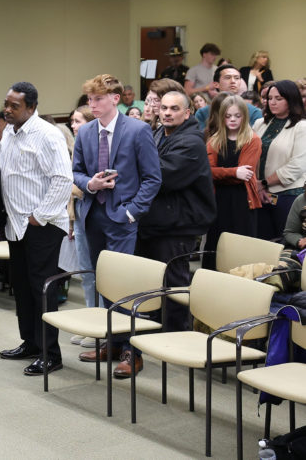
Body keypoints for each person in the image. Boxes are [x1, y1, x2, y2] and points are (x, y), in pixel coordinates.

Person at [72, 74, 161, 378]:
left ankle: (130, 352)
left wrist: (132, 212)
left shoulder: (137, 130)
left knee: (124, 284)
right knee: (103, 282)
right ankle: (111, 341)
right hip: (92, 215)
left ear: (115, 98)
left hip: (122, 218)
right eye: (89, 99)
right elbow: (76, 172)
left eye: (98, 99)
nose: (92, 104)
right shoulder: (85, 132)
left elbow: (152, 178)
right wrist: (91, 184)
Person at [0, 83, 72, 376]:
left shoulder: (47, 135)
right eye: (7, 104)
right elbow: (3, 171)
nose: (8, 110)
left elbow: (63, 180)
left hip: (42, 224)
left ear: (31, 107)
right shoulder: (9, 133)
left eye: (15, 106)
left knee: (43, 289)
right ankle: (30, 342)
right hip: (16, 224)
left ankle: (51, 353)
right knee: (23, 287)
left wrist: (39, 216)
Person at [136, 91, 216, 334]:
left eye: (174, 109)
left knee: (173, 284)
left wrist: (133, 163)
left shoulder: (191, 141)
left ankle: (175, 334)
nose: (168, 113)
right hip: (157, 221)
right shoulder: (160, 132)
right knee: (150, 282)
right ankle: (151, 330)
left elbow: (162, 176)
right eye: (165, 108)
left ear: (187, 113)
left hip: (178, 225)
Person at [204, 95, 262, 269]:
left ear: (244, 116)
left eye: (237, 116)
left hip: (242, 200)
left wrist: (222, 174)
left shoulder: (253, 139)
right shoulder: (214, 140)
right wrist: (234, 172)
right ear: (222, 117)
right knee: (215, 244)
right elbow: (207, 172)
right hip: (218, 200)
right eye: (228, 116)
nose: (232, 120)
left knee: (241, 247)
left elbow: (246, 172)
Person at [253, 80, 306, 240]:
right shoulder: (259, 123)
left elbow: (296, 166)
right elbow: (249, 156)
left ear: (290, 99)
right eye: (270, 98)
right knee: (262, 242)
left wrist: (264, 183)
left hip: (287, 195)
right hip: (258, 193)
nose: (272, 102)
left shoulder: (301, 127)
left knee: (283, 245)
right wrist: (257, 185)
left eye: (279, 98)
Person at [66, 105, 98, 347]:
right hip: (77, 214)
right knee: (85, 274)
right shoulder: (75, 147)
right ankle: (90, 323)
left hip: (93, 214)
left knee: (96, 274)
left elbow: (81, 186)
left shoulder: (96, 147)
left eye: (78, 121)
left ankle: (100, 328)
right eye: (72, 121)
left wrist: (76, 186)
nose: (73, 125)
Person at [194, 64, 263, 130]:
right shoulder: (202, 113)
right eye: (227, 77)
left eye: (236, 78)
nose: (233, 81)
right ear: (216, 84)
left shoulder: (254, 112)